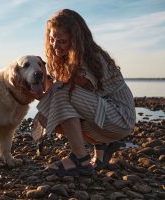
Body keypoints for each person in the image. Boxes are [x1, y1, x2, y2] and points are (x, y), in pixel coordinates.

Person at [13, 9, 136, 176]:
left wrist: (42, 83)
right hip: (102, 112)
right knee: (45, 116)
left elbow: (62, 92)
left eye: (62, 41)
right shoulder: (64, 58)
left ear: (76, 40)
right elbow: (53, 98)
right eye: (51, 39)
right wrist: (34, 88)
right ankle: (102, 145)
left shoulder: (90, 58)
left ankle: (80, 160)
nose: (55, 46)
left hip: (120, 116)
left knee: (63, 93)